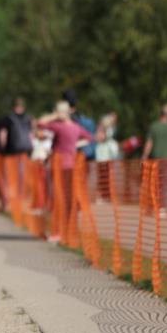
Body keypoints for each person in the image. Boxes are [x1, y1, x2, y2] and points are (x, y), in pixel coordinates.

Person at [38, 101, 92, 243]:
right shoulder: (76, 127)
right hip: (71, 166)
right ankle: (67, 231)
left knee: (58, 199)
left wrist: (55, 115)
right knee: (68, 199)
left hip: (59, 167)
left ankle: (58, 232)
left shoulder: (59, 126)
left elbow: (41, 123)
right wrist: (75, 144)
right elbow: (89, 137)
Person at [143, 103, 167, 210]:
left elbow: (149, 143)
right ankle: (161, 207)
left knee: (154, 182)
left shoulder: (154, 126)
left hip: (155, 159)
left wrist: (144, 156)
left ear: (161, 113)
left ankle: (153, 204)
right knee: (164, 183)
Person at [63, 89, 96, 160]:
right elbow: (91, 150)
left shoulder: (59, 123)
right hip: (81, 160)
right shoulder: (88, 122)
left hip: (73, 160)